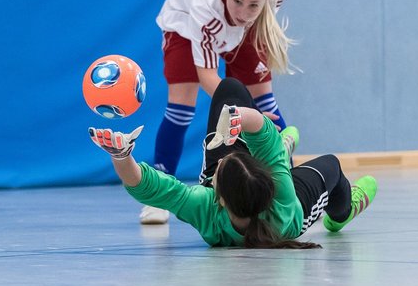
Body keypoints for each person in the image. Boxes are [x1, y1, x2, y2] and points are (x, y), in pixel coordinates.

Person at [90, 78, 377, 248]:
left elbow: (148, 186)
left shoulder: (204, 207)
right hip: (293, 203)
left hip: (261, 177)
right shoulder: (284, 207)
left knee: (229, 87)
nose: (227, 156)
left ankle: (281, 152)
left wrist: (121, 156)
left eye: (215, 174)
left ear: (219, 199)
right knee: (332, 166)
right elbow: (265, 137)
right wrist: (245, 120)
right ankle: (344, 213)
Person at [140, 0, 297, 225]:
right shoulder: (206, 7)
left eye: (253, 5)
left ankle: (291, 187)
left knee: (266, 100)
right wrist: (253, 118)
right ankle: (157, 198)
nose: (244, 11)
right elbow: (209, 78)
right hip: (185, 24)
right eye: (237, 1)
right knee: (181, 106)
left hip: (244, 27)